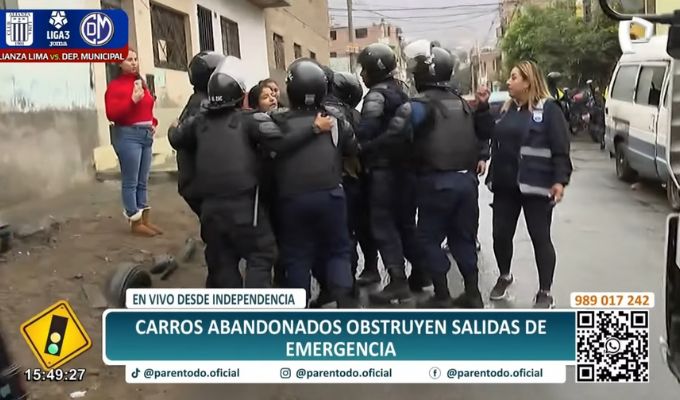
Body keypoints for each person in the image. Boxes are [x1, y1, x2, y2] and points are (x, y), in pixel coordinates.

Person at [390, 44, 493, 308]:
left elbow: (395, 139)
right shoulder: (462, 103)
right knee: (463, 239)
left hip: (435, 182)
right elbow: (483, 134)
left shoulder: (418, 106)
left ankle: (442, 295)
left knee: (427, 240)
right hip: (466, 183)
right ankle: (473, 294)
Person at [168, 57, 278, 288]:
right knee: (261, 254)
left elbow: (176, 137)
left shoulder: (198, 121)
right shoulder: (248, 120)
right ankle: (259, 306)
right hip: (244, 206)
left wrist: (173, 127)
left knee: (222, 261)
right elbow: (280, 139)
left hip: (210, 209)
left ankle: (231, 307)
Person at [268, 58, 359, 307]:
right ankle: (345, 303)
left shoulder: (276, 121)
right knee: (338, 251)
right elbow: (352, 148)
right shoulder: (336, 120)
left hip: (292, 198)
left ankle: (300, 308)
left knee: (297, 255)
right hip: (331, 195)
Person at [485, 60, 573, 309]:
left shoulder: (549, 109)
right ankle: (504, 276)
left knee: (540, 238)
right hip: (505, 185)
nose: (509, 82)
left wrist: (560, 180)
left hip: (536, 185)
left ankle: (545, 292)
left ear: (527, 82)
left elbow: (560, 147)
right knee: (500, 235)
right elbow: (490, 137)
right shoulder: (506, 110)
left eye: (514, 77)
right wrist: (481, 108)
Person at [356, 43, 429, 305]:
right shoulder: (402, 90)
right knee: (406, 224)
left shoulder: (375, 96)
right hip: (407, 170)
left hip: (384, 170)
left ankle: (398, 281)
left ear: (374, 70)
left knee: (383, 225)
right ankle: (422, 272)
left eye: (364, 69)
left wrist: (361, 146)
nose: (362, 74)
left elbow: (365, 131)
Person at [104, 48, 162, 237]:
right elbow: (112, 114)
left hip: (146, 135)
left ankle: (144, 218)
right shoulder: (115, 86)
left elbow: (147, 109)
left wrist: (153, 123)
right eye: (129, 60)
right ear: (120, 63)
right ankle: (134, 220)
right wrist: (132, 100)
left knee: (143, 180)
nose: (134, 63)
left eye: (136, 59)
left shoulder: (141, 82)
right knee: (131, 181)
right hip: (128, 135)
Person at [169, 50, 225, 217]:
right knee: (214, 221)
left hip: (196, 180)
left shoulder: (201, 100)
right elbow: (181, 137)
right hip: (198, 182)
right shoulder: (204, 105)